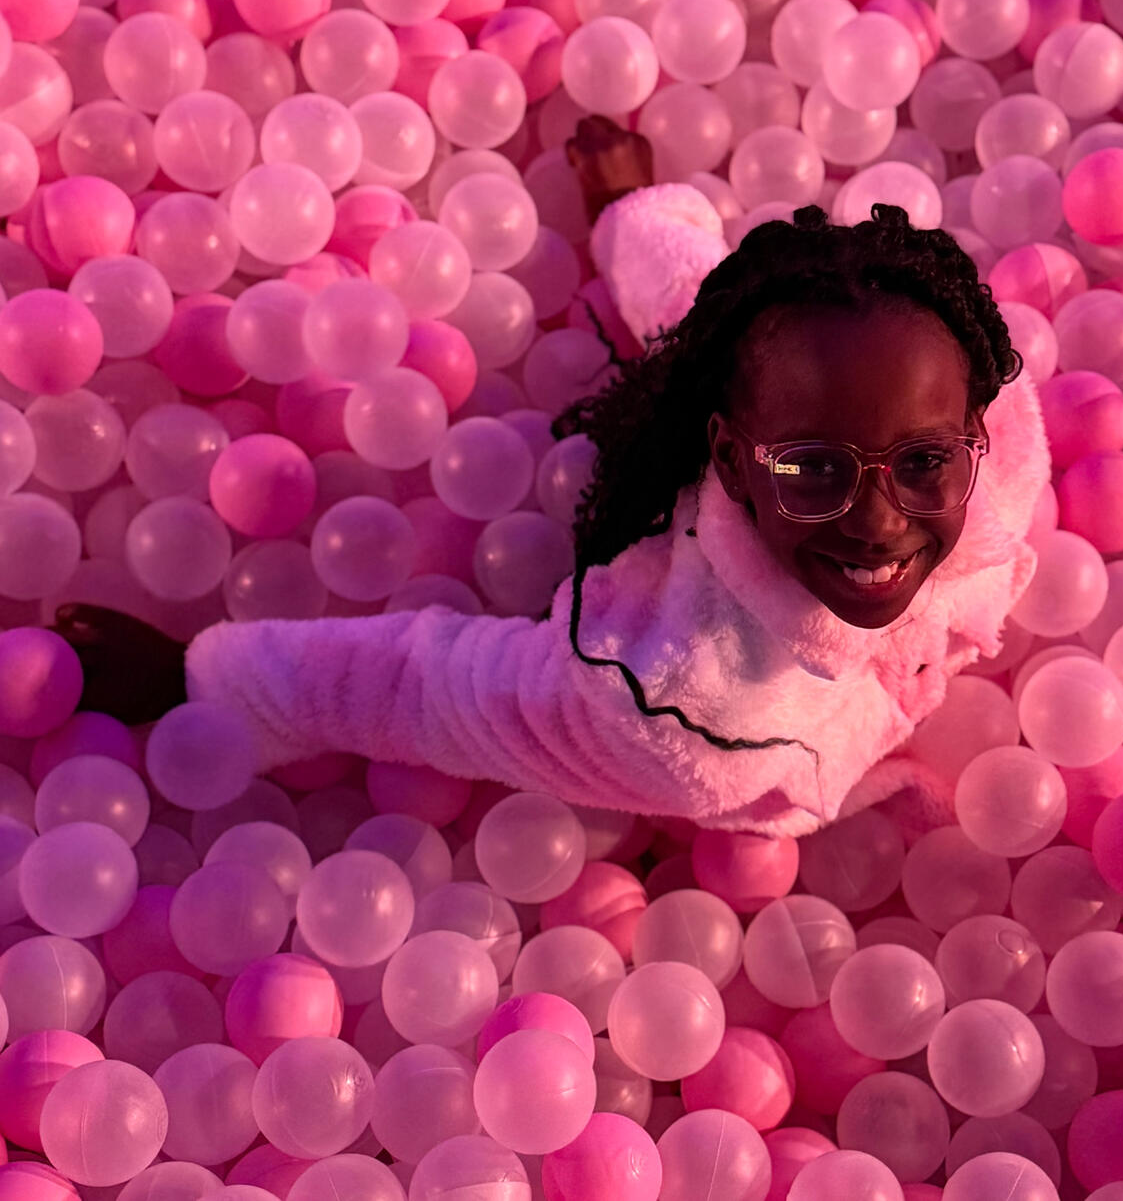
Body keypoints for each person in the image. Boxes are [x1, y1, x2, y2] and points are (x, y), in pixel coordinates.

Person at [54, 119, 1050, 837]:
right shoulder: (678, 705)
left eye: (924, 462)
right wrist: (214, 678)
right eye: (814, 468)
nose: (878, 519)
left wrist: (635, 216)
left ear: (968, 430)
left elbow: (711, 308)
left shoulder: (998, 434)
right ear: (730, 462)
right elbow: (440, 687)